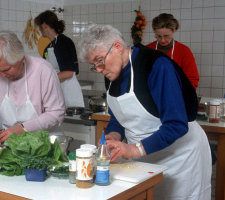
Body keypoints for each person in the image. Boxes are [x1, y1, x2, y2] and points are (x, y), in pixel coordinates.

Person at [78, 24, 211, 200]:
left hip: (182, 157)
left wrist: (134, 149)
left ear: (117, 47)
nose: (99, 69)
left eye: (100, 60)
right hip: (145, 159)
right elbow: (119, 116)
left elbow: (176, 124)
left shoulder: (156, 66)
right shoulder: (112, 73)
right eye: (94, 65)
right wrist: (114, 137)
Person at [0, 31, 65, 142]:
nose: (1, 76)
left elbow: (56, 114)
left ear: (21, 58)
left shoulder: (43, 70)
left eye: (6, 70)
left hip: (44, 143)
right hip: (12, 144)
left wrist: (23, 128)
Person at [34, 10, 84, 108]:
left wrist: (46, 81)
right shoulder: (48, 47)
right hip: (57, 90)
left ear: (44, 25)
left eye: (39, 26)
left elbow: (69, 72)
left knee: (71, 122)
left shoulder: (64, 42)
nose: (39, 30)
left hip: (69, 91)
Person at [146, 13, 199, 90]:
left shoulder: (184, 51)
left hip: (176, 96)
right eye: (159, 36)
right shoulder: (147, 49)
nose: (162, 40)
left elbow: (192, 79)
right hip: (151, 96)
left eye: (166, 36)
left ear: (174, 30)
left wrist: (184, 96)